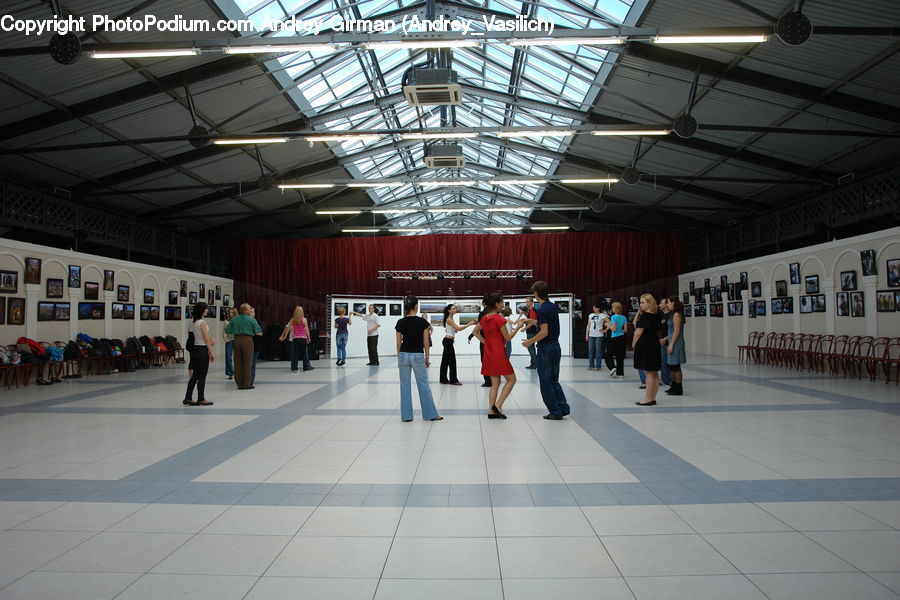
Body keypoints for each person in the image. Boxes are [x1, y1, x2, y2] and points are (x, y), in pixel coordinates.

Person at [522, 281, 570, 420]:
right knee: (554, 380)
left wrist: (529, 342)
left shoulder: (541, 309)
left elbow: (544, 332)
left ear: (536, 293)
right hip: (556, 346)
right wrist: (533, 322)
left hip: (546, 348)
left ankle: (555, 411)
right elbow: (547, 323)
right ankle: (563, 407)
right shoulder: (552, 306)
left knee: (545, 382)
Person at [473, 294, 525, 419]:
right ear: (496, 304)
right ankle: (498, 405)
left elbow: (475, 332)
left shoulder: (485, 318)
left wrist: (486, 342)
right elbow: (508, 338)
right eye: (502, 303)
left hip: (489, 353)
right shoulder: (499, 319)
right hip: (499, 353)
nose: (503, 305)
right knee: (512, 379)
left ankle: (491, 411)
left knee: (495, 383)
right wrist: (518, 327)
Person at [395, 296, 442, 422]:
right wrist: (427, 357)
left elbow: (398, 342)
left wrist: (399, 356)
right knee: (423, 384)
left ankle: (406, 416)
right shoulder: (423, 323)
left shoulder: (400, 322)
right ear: (416, 306)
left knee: (404, 385)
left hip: (404, 355)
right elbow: (426, 342)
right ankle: (430, 414)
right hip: (417, 355)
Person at [633, 294, 662, 406]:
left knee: (648, 372)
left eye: (643, 302)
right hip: (654, 343)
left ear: (650, 303)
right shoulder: (656, 315)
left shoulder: (645, 317)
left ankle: (647, 398)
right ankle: (652, 397)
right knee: (654, 372)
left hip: (645, 344)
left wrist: (634, 344)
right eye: (640, 302)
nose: (641, 304)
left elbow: (638, 332)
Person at [225, 303, 262, 390]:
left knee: (238, 362)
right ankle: (246, 384)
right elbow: (258, 330)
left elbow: (228, 330)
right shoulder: (251, 319)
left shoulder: (234, 319)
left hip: (237, 340)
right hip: (248, 340)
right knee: (248, 362)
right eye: (249, 309)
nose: (250, 310)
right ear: (245, 310)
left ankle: (239, 383)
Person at [183, 302, 214, 406]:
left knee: (195, 375)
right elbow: (205, 339)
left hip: (195, 349)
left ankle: (188, 397)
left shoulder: (194, 322)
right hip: (202, 350)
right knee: (202, 376)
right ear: (202, 310)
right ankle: (201, 397)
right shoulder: (202, 323)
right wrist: (210, 350)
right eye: (206, 309)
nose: (207, 310)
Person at [440, 304, 472, 385]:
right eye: (453, 308)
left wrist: (454, 330)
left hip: (447, 341)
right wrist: (469, 324)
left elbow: (452, 330)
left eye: (455, 308)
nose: (455, 310)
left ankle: (443, 379)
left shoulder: (450, 319)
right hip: (448, 341)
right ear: (449, 311)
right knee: (452, 361)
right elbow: (458, 329)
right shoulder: (450, 319)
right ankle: (453, 380)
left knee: (445, 361)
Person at [279, 306, 314, 373]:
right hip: (303, 338)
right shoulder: (304, 319)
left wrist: (284, 336)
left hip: (295, 338)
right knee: (304, 353)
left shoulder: (292, 320)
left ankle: (295, 368)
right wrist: (309, 338)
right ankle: (305, 367)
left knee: (296, 354)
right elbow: (306, 330)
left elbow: (288, 329)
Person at [469, 295, 493, 387]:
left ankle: (488, 381)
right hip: (494, 339)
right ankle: (493, 379)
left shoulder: (483, 313)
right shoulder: (493, 312)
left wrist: (471, 335)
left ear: (483, 303)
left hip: (484, 340)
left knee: (485, 360)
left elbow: (479, 327)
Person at [665, 295, 687, 396]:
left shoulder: (677, 314)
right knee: (671, 365)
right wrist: (666, 339)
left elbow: (677, 331)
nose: (667, 304)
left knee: (675, 366)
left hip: (676, 342)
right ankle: (673, 385)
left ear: (673, 302)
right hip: (672, 341)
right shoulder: (672, 314)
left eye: (668, 302)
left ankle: (678, 388)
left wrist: (671, 344)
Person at [607, 302, 627, 379]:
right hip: (622, 338)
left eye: (613, 307)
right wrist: (620, 331)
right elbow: (625, 330)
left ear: (615, 308)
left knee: (608, 354)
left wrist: (608, 325)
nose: (612, 309)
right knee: (620, 356)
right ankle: (620, 374)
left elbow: (614, 329)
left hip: (614, 338)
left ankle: (612, 367)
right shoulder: (624, 317)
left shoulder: (613, 317)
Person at [586, 300, 607, 371]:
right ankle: (591, 365)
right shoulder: (591, 315)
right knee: (590, 350)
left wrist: (605, 330)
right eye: (593, 308)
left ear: (598, 308)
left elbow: (610, 323)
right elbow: (588, 325)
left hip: (599, 335)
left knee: (598, 351)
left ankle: (598, 366)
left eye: (595, 308)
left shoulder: (602, 315)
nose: (594, 309)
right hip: (591, 335)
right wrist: (587, 335)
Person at [657, 298, 673, 388]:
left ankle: (672, 380)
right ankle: (665, 380)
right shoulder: (660, 315)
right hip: (661, 340)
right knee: (663, 361)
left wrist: (666, 338)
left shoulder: (671, 315)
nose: (660, 305)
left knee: (670, 361)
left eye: (661, 303)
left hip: (669, 340)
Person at [249, 306, 263, 385]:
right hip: (249, 344)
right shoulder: (248, 322)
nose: (253, 313)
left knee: (253, 363)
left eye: (253, 312)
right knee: (248, 364)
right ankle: (247, 379)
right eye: (251, 312)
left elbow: (260, 332)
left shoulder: (256, 321)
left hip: (256, 345)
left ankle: (251, 380)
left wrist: (259, 333)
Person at [523, 297, 538, 369]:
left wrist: (524, 328)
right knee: (531, 347)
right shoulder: (531, 310)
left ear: (532, 302)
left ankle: (535, 364)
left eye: (527, 302)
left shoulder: (532, 310)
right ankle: (533, 363)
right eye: (526, 302)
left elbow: (532, 321)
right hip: (532, 331)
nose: (526, 303)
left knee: (530, 347)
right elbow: (531, 319)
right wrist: (526, 315)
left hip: (531, 331)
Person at [222, 308, 237, 380]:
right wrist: (225, 339)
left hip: (237, 339)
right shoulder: (226, 321)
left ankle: (238, 372)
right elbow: (224, 331)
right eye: (230, 312)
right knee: (228, 356)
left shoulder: (237, 320)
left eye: (232, 312)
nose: (231, 314)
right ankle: (230, 373)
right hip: (230, 339)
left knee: (237, 357)